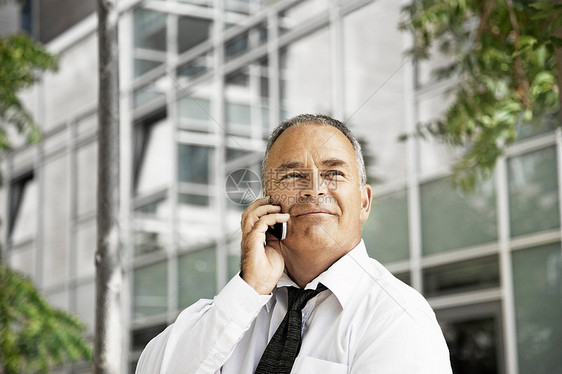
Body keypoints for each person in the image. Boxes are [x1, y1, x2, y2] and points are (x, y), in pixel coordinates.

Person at [136, 114, 452, 373]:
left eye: (334, 173)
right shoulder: (240, 307)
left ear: (364, 202)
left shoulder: (397, 318)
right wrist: (249, 288)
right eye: (292, 176)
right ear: (267, 203)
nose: (314, 189)